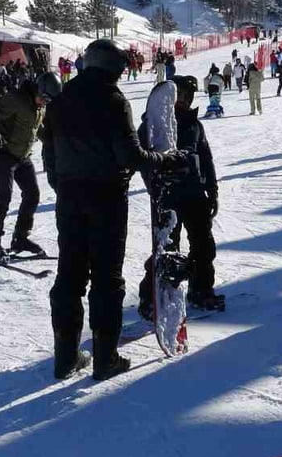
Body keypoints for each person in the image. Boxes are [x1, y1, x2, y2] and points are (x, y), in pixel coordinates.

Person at [41, 38, 186, 381]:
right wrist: (164, 160)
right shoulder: (112, 100)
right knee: (106, 277)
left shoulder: (61, 99)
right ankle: (105, 358)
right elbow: (129, 156)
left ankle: (65, 358)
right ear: (113, 68)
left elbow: (48, 152)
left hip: (69, 196)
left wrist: (61, 183)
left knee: (70, 275)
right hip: (106, 196)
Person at [138, 75, 223, 314]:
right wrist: (155, 189)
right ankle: (150, 298)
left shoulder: (195, 125)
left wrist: (213, 190)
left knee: (204, 246)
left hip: (196, 195)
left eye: (188, 97)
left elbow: (206, 159)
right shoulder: (155, 125)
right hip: (168, 197)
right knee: (166, 249)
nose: (184, 101)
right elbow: (142, 160)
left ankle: (202, 289)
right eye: (180, 96)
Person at [0, 79, 48, 260]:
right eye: (43, 98)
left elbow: (37, 128)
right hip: (2, 153)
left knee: (32, 194)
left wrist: (54, 142)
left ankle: (21, 237)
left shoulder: (40, 106)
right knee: (4, 195)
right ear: (35, 91)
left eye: (47, 100)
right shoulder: (15, 99)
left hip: (22, 156)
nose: (44, 102)